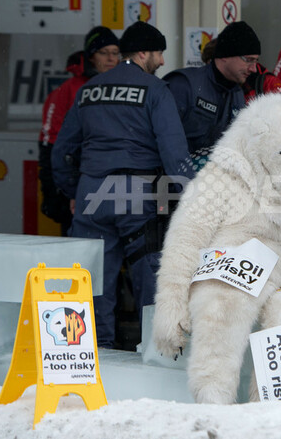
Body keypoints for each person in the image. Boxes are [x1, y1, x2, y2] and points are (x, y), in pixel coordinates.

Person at [52, 21, 192, 349]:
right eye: (158, 53)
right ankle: (154, 353)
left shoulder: (89, 90)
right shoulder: (155, 90)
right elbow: (174, 153)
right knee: (151, 282)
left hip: (92, 193)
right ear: (143, 53)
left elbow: (62, 152)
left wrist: (75, 191)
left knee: (92, 283)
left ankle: (92, 354)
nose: (161, 62)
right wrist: (191, 196)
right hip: (135, 193)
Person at [39, 26, 120, 235]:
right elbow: (51, 143)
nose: (111, 58)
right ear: (91, 56)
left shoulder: (125, 86)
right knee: (79, 247)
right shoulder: (68, 90)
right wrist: (55, 192)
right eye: (104, 52)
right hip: (79, 183)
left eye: (114, 53)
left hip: (116, 184)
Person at [164, 21, 261, 160]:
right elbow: (162, 140)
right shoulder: (185, 85)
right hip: (176, 178)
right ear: (225, 55)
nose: (254, 68)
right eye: (248, 60)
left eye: (256, 61)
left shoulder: (237, 95)